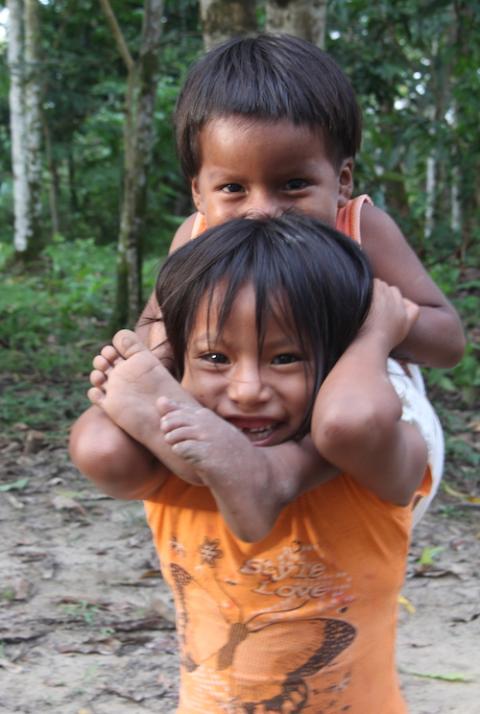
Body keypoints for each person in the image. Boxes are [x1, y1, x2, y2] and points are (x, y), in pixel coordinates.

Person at [70, 33, 463, 522]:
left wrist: (370, 322)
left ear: (341, 181)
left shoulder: (360, 228)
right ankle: (222, 465)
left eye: (294, 185)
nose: (262, 210)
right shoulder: (195, 236)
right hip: (244, 403)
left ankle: (274, 477)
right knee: (104, 442)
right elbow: (162, 327)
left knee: (343, 420)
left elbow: (448, 341)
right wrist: (153, 372)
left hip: (371, 418)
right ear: (199, 193)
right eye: (233, 188)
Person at [76, 214, 433, 713]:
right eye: (216, 359)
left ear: (339, 363)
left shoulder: (374, 465)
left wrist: (374, 336)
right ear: (181, 364)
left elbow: (354, 419)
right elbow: (99, 451)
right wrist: (166, 411)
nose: (247, 391)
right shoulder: (183, 464)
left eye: (286, 358)